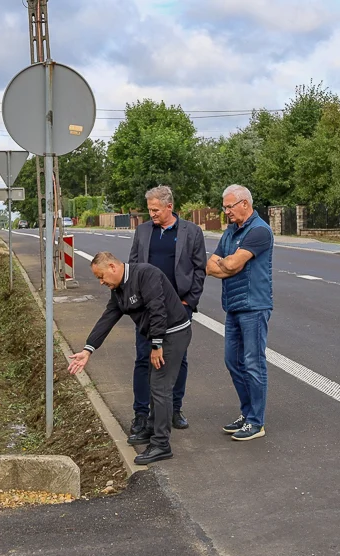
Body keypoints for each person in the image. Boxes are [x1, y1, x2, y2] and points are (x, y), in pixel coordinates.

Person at [68, 252, 192, 465]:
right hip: (158, 335)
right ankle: (152, 429)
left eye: (101, 276)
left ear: (113, 267)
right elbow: (107, 318)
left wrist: (156, 344)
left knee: (161, 387)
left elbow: (157, 309)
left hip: (173, 333)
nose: (101, 282)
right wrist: (88, 349)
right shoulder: (119, 290)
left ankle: (162, 444)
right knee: (155, 383)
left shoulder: (145, 274)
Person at [128, 185, 206, 435]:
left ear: (169, 207)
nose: (151, 214)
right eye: (149, 209)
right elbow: (132, 266)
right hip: (148, 309)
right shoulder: (142, 231)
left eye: (156, 209)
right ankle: (141, 415)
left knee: (177, 360)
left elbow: (199, 269)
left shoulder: (191, 232)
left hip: (178, 310)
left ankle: (174, 409)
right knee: (143, 359)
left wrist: (188, 303)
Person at [206, 184, 274, 441]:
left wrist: (227, 264)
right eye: (224, 207)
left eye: (229, 207)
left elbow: (231, 263)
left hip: (254, 306)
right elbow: (210, 266)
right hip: (233, 305)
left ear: (245, 203)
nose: (226, 212)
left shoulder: (259, 231)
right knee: (232, 361)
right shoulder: (231, 232)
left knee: (253, 363)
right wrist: (227, 265)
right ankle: (247, 414)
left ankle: (256, 422)